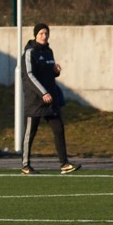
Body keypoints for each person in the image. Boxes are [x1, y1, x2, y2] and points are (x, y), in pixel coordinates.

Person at [21, 23, 80, 175]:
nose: (44, 36)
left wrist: (55, 72)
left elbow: (47, 74)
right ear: (35, 35)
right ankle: (25, 165)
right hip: (35, 100)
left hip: (50, 100)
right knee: (31, 132)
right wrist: (43, 93)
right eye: (41, 33)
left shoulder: (49, 52)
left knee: (58, 128)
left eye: (46, 33)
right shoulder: (30, 53)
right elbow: (29, 76)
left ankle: (64, 164)